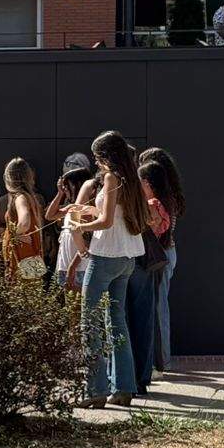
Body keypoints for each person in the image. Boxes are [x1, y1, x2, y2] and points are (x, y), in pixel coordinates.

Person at [69, 130, 150, 407]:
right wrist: (89, 212)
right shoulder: (129, 178)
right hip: (127, 257)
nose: (95, 160)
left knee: (89, 322)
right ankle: (124, 388)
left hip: (105, 256)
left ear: (105, 155)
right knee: (116, 321)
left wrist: (81, 225)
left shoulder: (111, 177)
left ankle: (95, 390)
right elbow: (113, 215)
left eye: (96, 155)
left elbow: (105, 223)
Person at [139, 148, 186, 373]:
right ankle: (162, 359)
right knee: (160, 308)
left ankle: (161, 361)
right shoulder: (171, 195)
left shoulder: (156, 201)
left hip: (159, 256)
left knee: (158, 309)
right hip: (168, 254)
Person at [49, 153, 92, 290]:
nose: (66, 188)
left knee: (77, 306)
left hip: (78, 267)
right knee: (70, 306)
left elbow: (86, 242)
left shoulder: (86, 211)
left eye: (68, 186)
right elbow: (50, 215)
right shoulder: (71, 207)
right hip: (65, 264)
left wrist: (73, 267)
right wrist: (59, 194)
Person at [2, 158, 48, 283]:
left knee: (21, 296)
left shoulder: (20, 197)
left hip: (21, 256)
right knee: (32, 294)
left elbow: (24, 221)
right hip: (31, 256)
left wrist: (15, 235)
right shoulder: (29, 196)